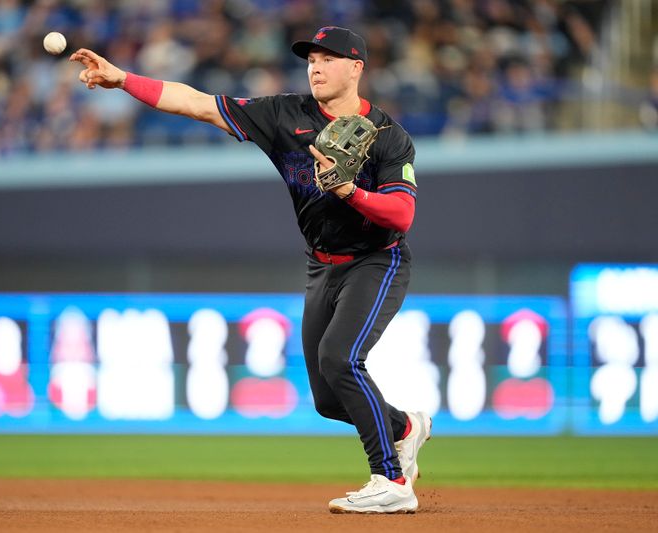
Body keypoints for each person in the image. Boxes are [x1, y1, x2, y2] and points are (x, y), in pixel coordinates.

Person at [71, 26, 432, 514]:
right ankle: (404, 428)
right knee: (328, 399)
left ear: (356, 68)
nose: (316, 66)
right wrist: (122, 79)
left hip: (377, 259)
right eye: (311, 59)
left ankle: (391, 481)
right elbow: (195, 103)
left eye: (329, 58)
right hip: (321, 265)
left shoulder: (390, 137)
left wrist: (349, 191)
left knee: (341, 358)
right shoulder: (285, 115)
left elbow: (401, 215)